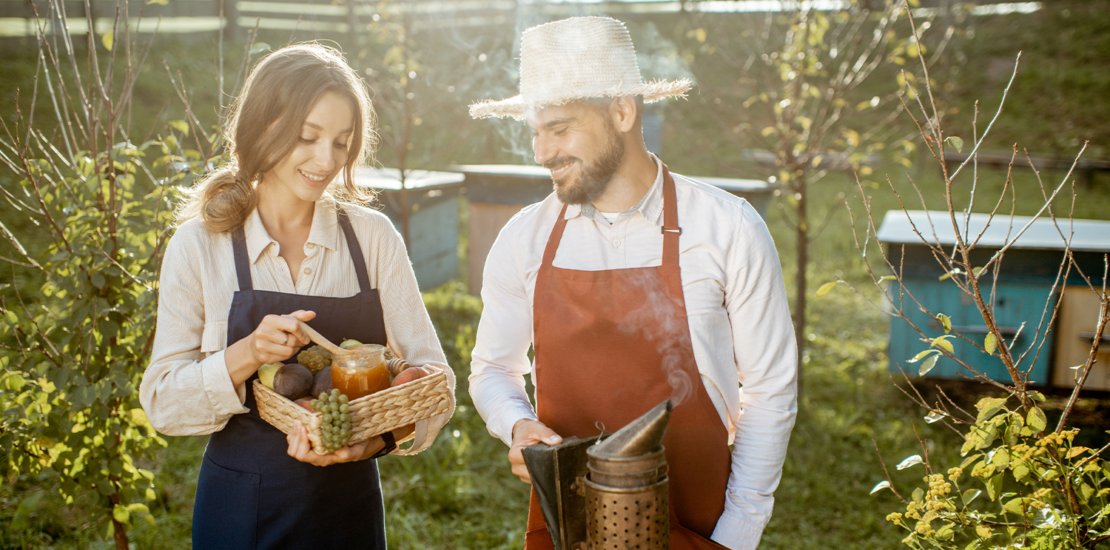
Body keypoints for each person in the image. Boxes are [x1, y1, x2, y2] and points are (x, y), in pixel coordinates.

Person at [467, 16, 797, 550]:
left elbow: (770, 391)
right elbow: (492, 371)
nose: (541, 152)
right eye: (535, 130)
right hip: (565, 527)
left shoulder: (726, 227)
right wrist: (515, 424)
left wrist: (738, 531)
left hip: (700, 525)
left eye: (561, 128)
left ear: (622, 111)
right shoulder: (523, 239)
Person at [139, 43, 454, 549]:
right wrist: (246, 355)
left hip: (348, 509)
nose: (326, 160)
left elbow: (436, 382)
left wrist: (376, 440)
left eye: (341, 141)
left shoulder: (370, 237)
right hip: (240, 511)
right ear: (261, 128)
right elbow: (162, 403)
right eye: (307, 138)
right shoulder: (201, 245)